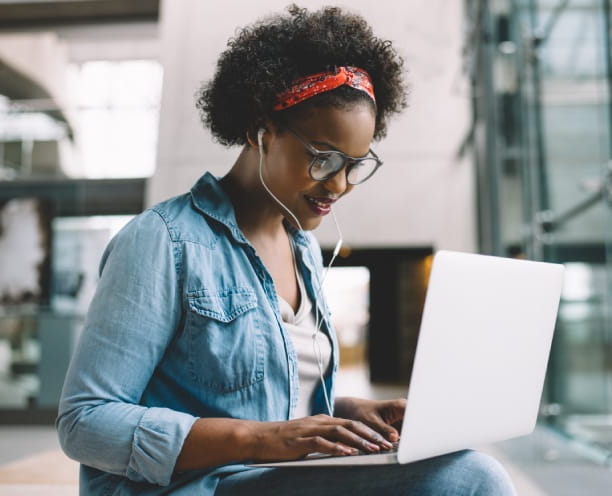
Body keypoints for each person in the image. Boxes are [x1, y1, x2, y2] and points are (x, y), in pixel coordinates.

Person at [57, 5, 517, 495]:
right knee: (470, 480)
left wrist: (347, 413)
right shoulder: (162, 242)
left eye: (355, 165)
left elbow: (270, 398)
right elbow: (85, 422)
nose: (339, 185)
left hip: (274, 480)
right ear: (262, 132)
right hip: (198, 487)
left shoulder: (303, 252)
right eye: (323, 159)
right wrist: (256, 440)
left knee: (461, 465)